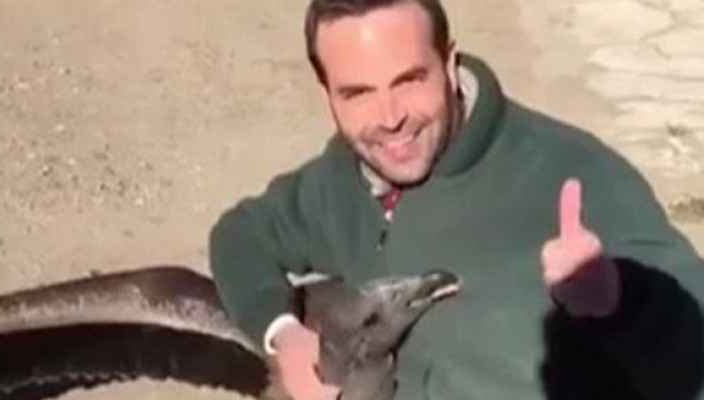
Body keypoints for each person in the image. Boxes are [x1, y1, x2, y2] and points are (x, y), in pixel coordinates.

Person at [210, 0, 704, 398]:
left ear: (448, 64)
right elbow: (240, 235)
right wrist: (284, 337)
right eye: (357, 93)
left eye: (409, 80)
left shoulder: (569, 173)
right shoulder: (344, 177)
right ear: (328, 96)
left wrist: (619, 301)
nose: (390, 118)